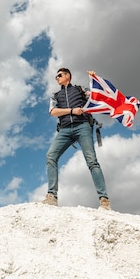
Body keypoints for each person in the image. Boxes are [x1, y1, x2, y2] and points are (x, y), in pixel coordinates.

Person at [42, 68, 111, 210]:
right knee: (50, 156)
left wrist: (95, 80)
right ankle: (52, 196)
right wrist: (72, 111)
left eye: (59, 75)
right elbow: (53, 112)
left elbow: (96, 97)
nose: (57, 78)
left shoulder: (80, 89)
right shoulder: (55, 95)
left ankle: (104, 200)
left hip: (83, 127)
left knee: (92, 161)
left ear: (68, 76)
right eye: (56, 77)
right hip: (64, 130)